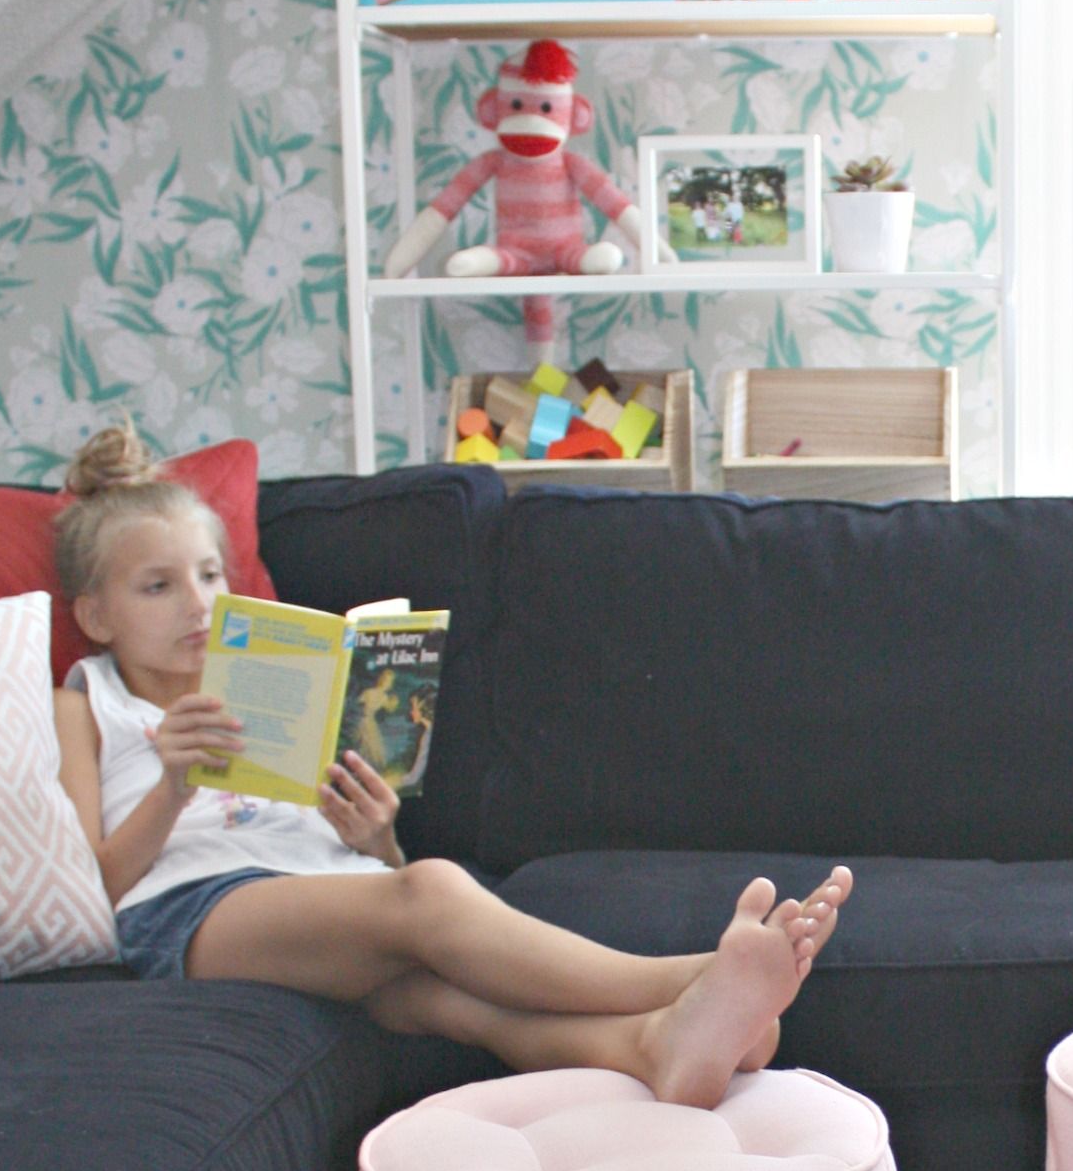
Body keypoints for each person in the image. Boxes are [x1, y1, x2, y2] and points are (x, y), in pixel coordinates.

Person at [49, 424, 850, 1105]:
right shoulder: (91, 705)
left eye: (210, 575)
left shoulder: (279, 685)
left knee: (444, 999)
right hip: (193, 910)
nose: (197, 603)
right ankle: (688, 978)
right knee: (431, 889)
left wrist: (375, 840)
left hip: (329, 888)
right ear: (94, 615)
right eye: (158, 586)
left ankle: (659, 1046)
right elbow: (94, 888)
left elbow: (374, 875)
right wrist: (173, 785)